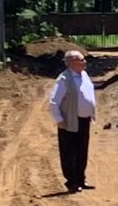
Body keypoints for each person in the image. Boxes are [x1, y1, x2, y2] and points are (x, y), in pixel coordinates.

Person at [49, 50, 96, 193]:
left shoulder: (84, 75)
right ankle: (72, 182)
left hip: (84, 120)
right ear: (72, 63)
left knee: (82, 151)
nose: (85, 62)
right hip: (69, 121)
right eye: (82, 60)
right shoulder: (64, 79)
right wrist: (59, 119)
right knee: (69, 152)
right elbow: (53, 101)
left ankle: (81, 179)